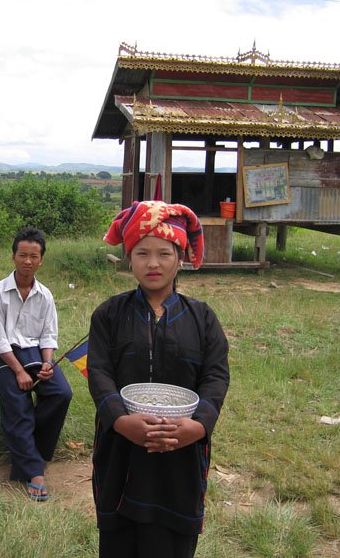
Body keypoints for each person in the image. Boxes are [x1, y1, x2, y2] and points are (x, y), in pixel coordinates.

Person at [87, 200, 230, 558]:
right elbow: (100, 372)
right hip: (122, 446)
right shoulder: (109, 314)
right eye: (141, 253)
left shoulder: (202, 318)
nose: (153, 263)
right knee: (120, 540)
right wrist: (120, 420)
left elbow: (215, 375)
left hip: (181, 452)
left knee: (172, 542)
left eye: (164, 253)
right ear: (129, 258)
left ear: (179, 258)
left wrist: (199, 427)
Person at [0, 226, 72, 501]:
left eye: (34, 256)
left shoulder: (45, 295)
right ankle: (34, 471)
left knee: (60, 392)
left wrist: (47, 364)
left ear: (41, 260)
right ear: (13, 257)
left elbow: (48, 335)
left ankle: (34, 450)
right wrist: (19, 371)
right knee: (19, 404)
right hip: (5, 355)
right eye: (23, 255)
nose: (28, 261)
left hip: (34, 353)